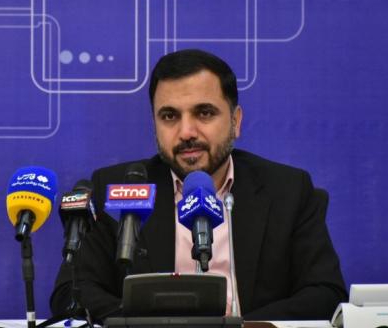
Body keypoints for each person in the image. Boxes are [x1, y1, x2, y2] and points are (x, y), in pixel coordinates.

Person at [50, 49, 346, 322]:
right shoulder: (115, 189)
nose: (186, 132)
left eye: (204, 113)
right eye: (170, 116)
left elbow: (324, 294)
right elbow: (71, 293)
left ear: (235, 121)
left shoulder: (288, 190)